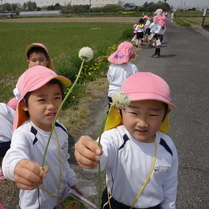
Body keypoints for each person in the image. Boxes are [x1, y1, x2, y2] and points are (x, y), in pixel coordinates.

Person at [74, 72, 178, 209]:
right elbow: (101, 155)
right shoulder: (114, 138)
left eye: (153, 114)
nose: (142, 123)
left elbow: (170, 184)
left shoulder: (168, 145)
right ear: (119, 111)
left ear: (166, 114)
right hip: (116, 205)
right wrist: (89, 155)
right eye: (134, 113)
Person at [2, 66, 81, 208]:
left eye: (57, 97)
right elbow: (13, 155)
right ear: (24, 104)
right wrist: (15, 167)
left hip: (63, 196)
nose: (51, 105)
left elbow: (63, 159)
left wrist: (72, 181)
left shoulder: (60, 128)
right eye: (42, 100)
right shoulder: (24, 134)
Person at [8, 43, 55, 110]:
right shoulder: (25, 77)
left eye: (41, 60)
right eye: (34, 61)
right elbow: (18, 90)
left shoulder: (51, 76)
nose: (38, 63)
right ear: (29, 62)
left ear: (47, 61)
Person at [107, 42, 138, 109]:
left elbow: (109, 79)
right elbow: (136, 82)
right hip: (125, 97)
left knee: (112, 115)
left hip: (112, 94)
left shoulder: (112, 66)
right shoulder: (132, 67)